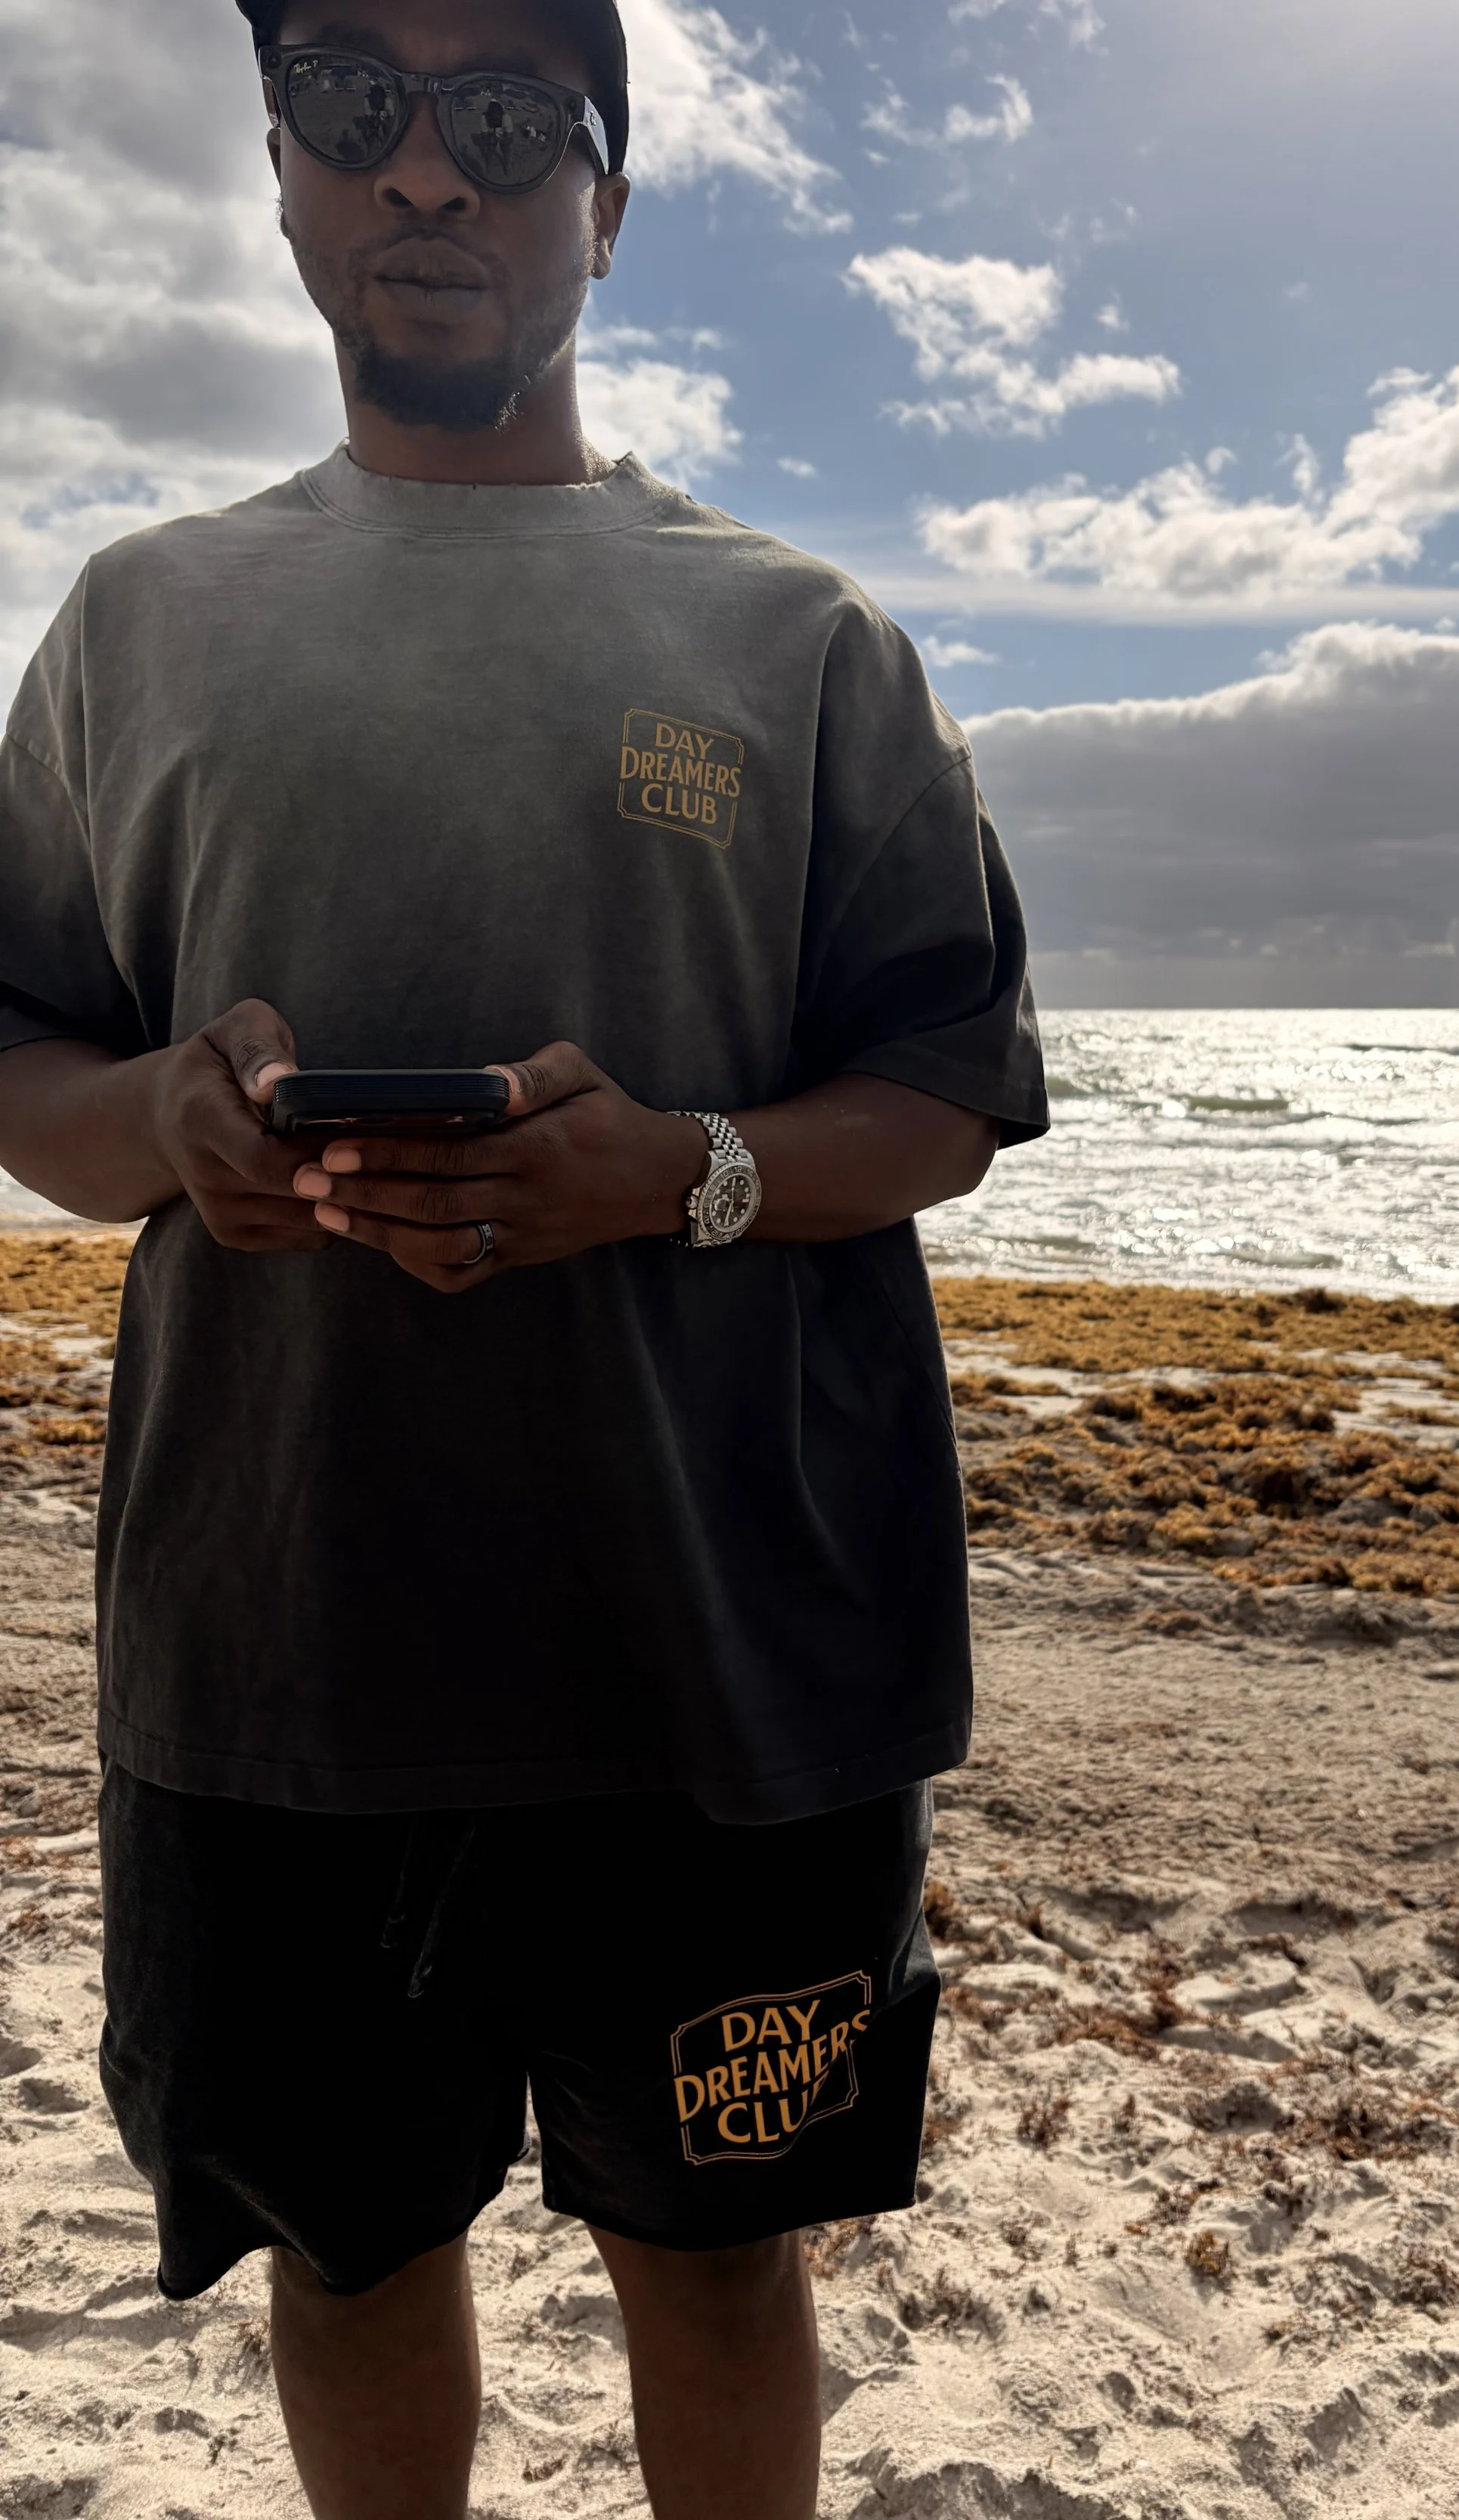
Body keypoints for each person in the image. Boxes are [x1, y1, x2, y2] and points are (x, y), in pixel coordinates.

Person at [0, 0, 1046, 2512]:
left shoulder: (795, 636)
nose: (429, 179)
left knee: (716, 2249)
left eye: (502, 121)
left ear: (605, 194)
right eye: (357, 110)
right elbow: (27, 1055)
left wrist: (672, 1167)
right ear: (280, 176)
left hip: (723, 1637)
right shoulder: (139, 627)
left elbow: (946, 1091)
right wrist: (162, 1122)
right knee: (345, 2249)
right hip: (284, 1639)